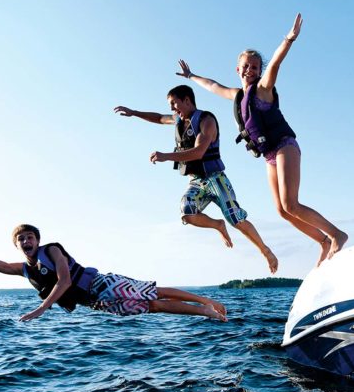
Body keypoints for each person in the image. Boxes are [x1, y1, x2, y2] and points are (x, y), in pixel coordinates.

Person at [176, 13, 347, 267]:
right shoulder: (236, 95)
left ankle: (336, 235)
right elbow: (213, 86)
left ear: (259, 72)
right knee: (282, 210)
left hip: (284, 146)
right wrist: (191, 77)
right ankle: (322, 242)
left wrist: (288, 40)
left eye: (254, 67)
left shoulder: (263, 89)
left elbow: (275, 64)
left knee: (291, 203)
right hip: (269, 156)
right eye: (245, 66)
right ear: (238, 69)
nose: (249, 70)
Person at [114, 85, 278, 273]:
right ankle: (218, 225)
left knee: (236, 218)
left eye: (174, 104)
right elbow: (159, 118)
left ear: (187, 100)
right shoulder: (178, 120)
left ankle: (266, 251)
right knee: (187, 212)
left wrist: (166, 156)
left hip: (216, 179)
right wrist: (134, 113)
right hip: (197, 181)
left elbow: (199, 152)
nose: (172, 109)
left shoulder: (206, 121)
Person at [0, 224, 227, 322]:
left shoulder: (52, 250)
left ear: (38, 240)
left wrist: (42, 308)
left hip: (102, 284)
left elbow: (65, 279)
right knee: (154, 307)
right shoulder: (22, 269)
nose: (27, 241)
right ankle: (206, 312)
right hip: (97, 303)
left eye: (30, 236)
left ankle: (205, 300)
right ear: (17, 246)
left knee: (154, 291)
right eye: (21, 239)